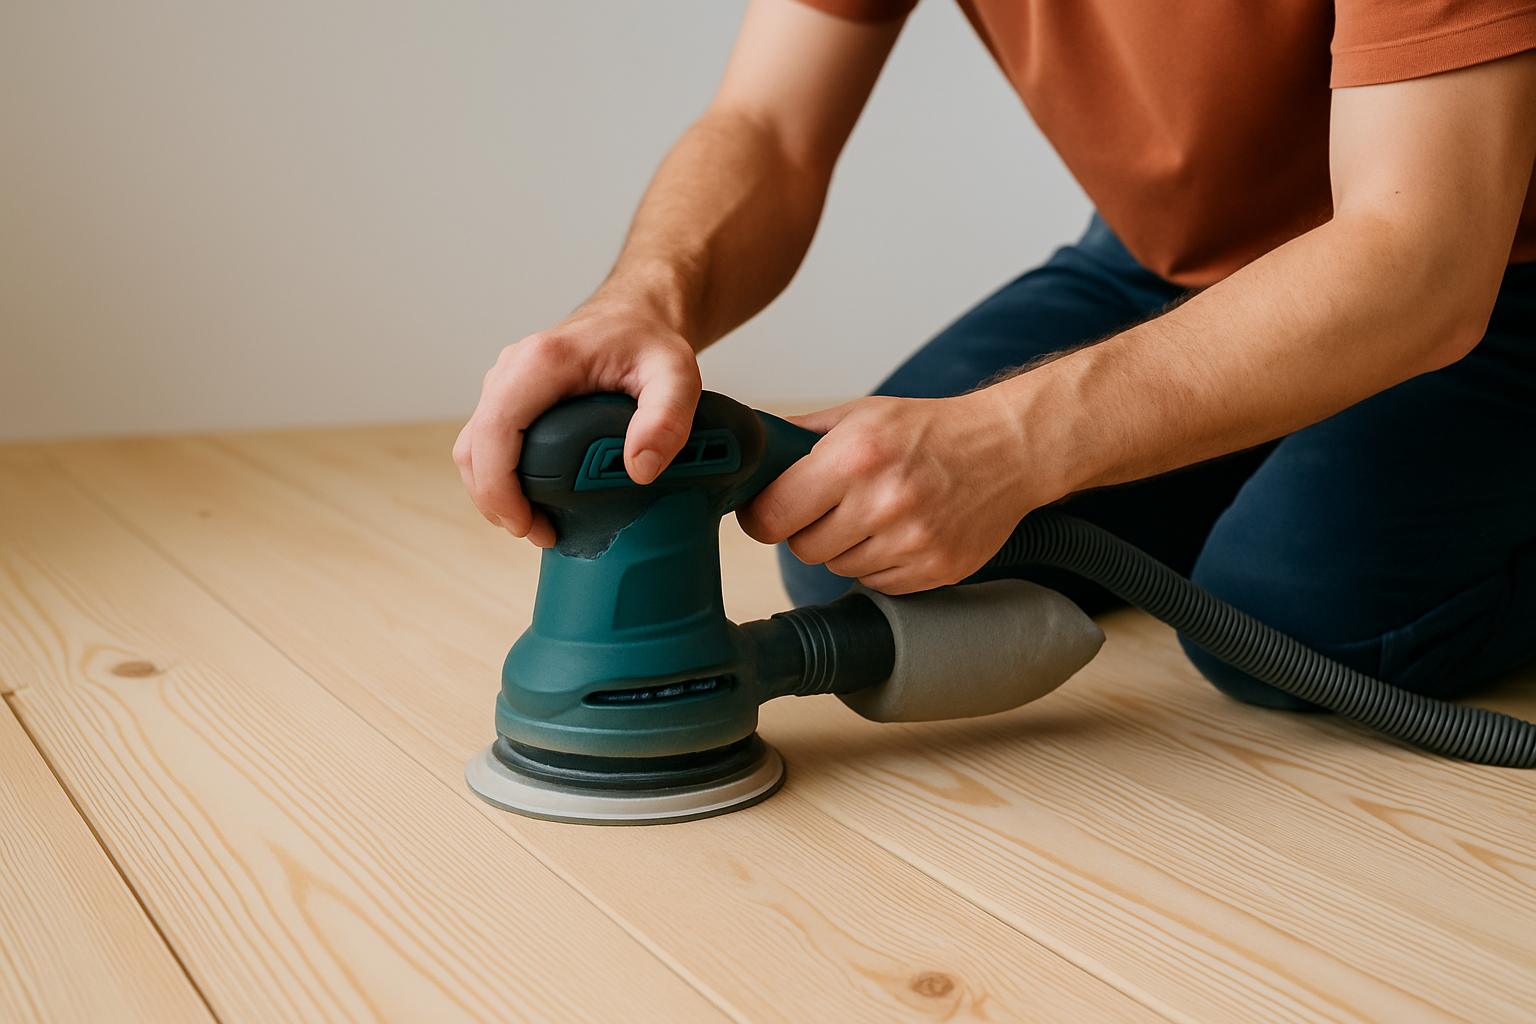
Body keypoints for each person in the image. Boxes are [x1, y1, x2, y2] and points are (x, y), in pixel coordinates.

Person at [454, 0, 1536, 710]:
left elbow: (1422, 254)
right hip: (1169, 257)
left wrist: (1017, 439)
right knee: (851, 531)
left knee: (1301, 624)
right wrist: (642, 299)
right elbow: (768, 126)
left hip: (1489, 262)